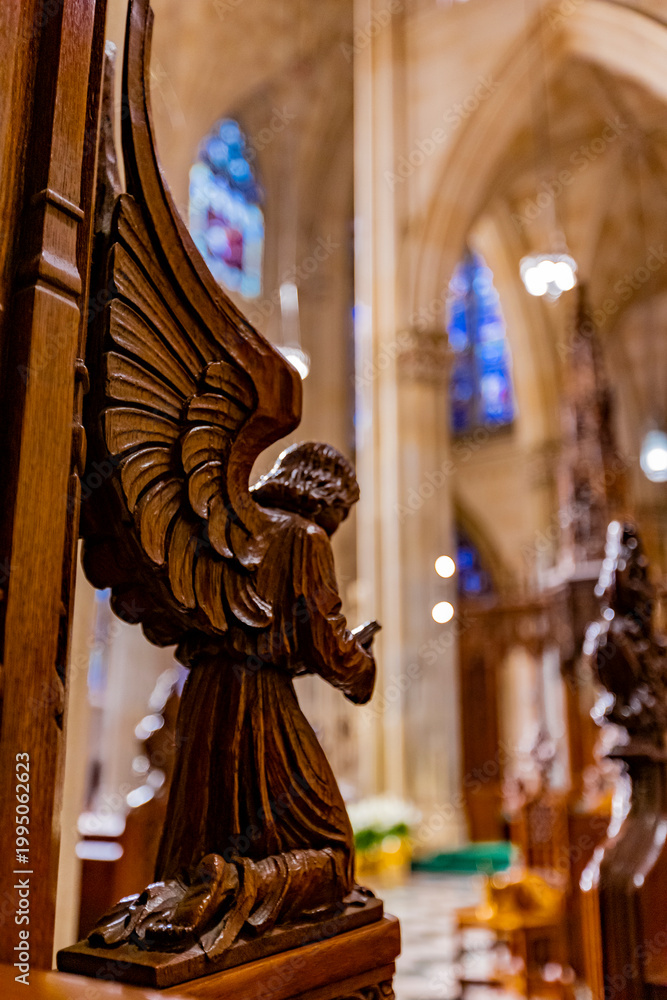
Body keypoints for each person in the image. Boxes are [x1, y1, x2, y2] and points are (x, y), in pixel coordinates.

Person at [91, 443, 378, 953]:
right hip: (260, 703)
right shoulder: (303, 537)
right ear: (327, 495)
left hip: (207, 700)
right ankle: (225, 887)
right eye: (342, 512)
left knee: (196, 843)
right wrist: (360, 663)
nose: (337, 524)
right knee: (334, 859)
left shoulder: (227, 527)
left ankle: (195, 887)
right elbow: (320, 637)